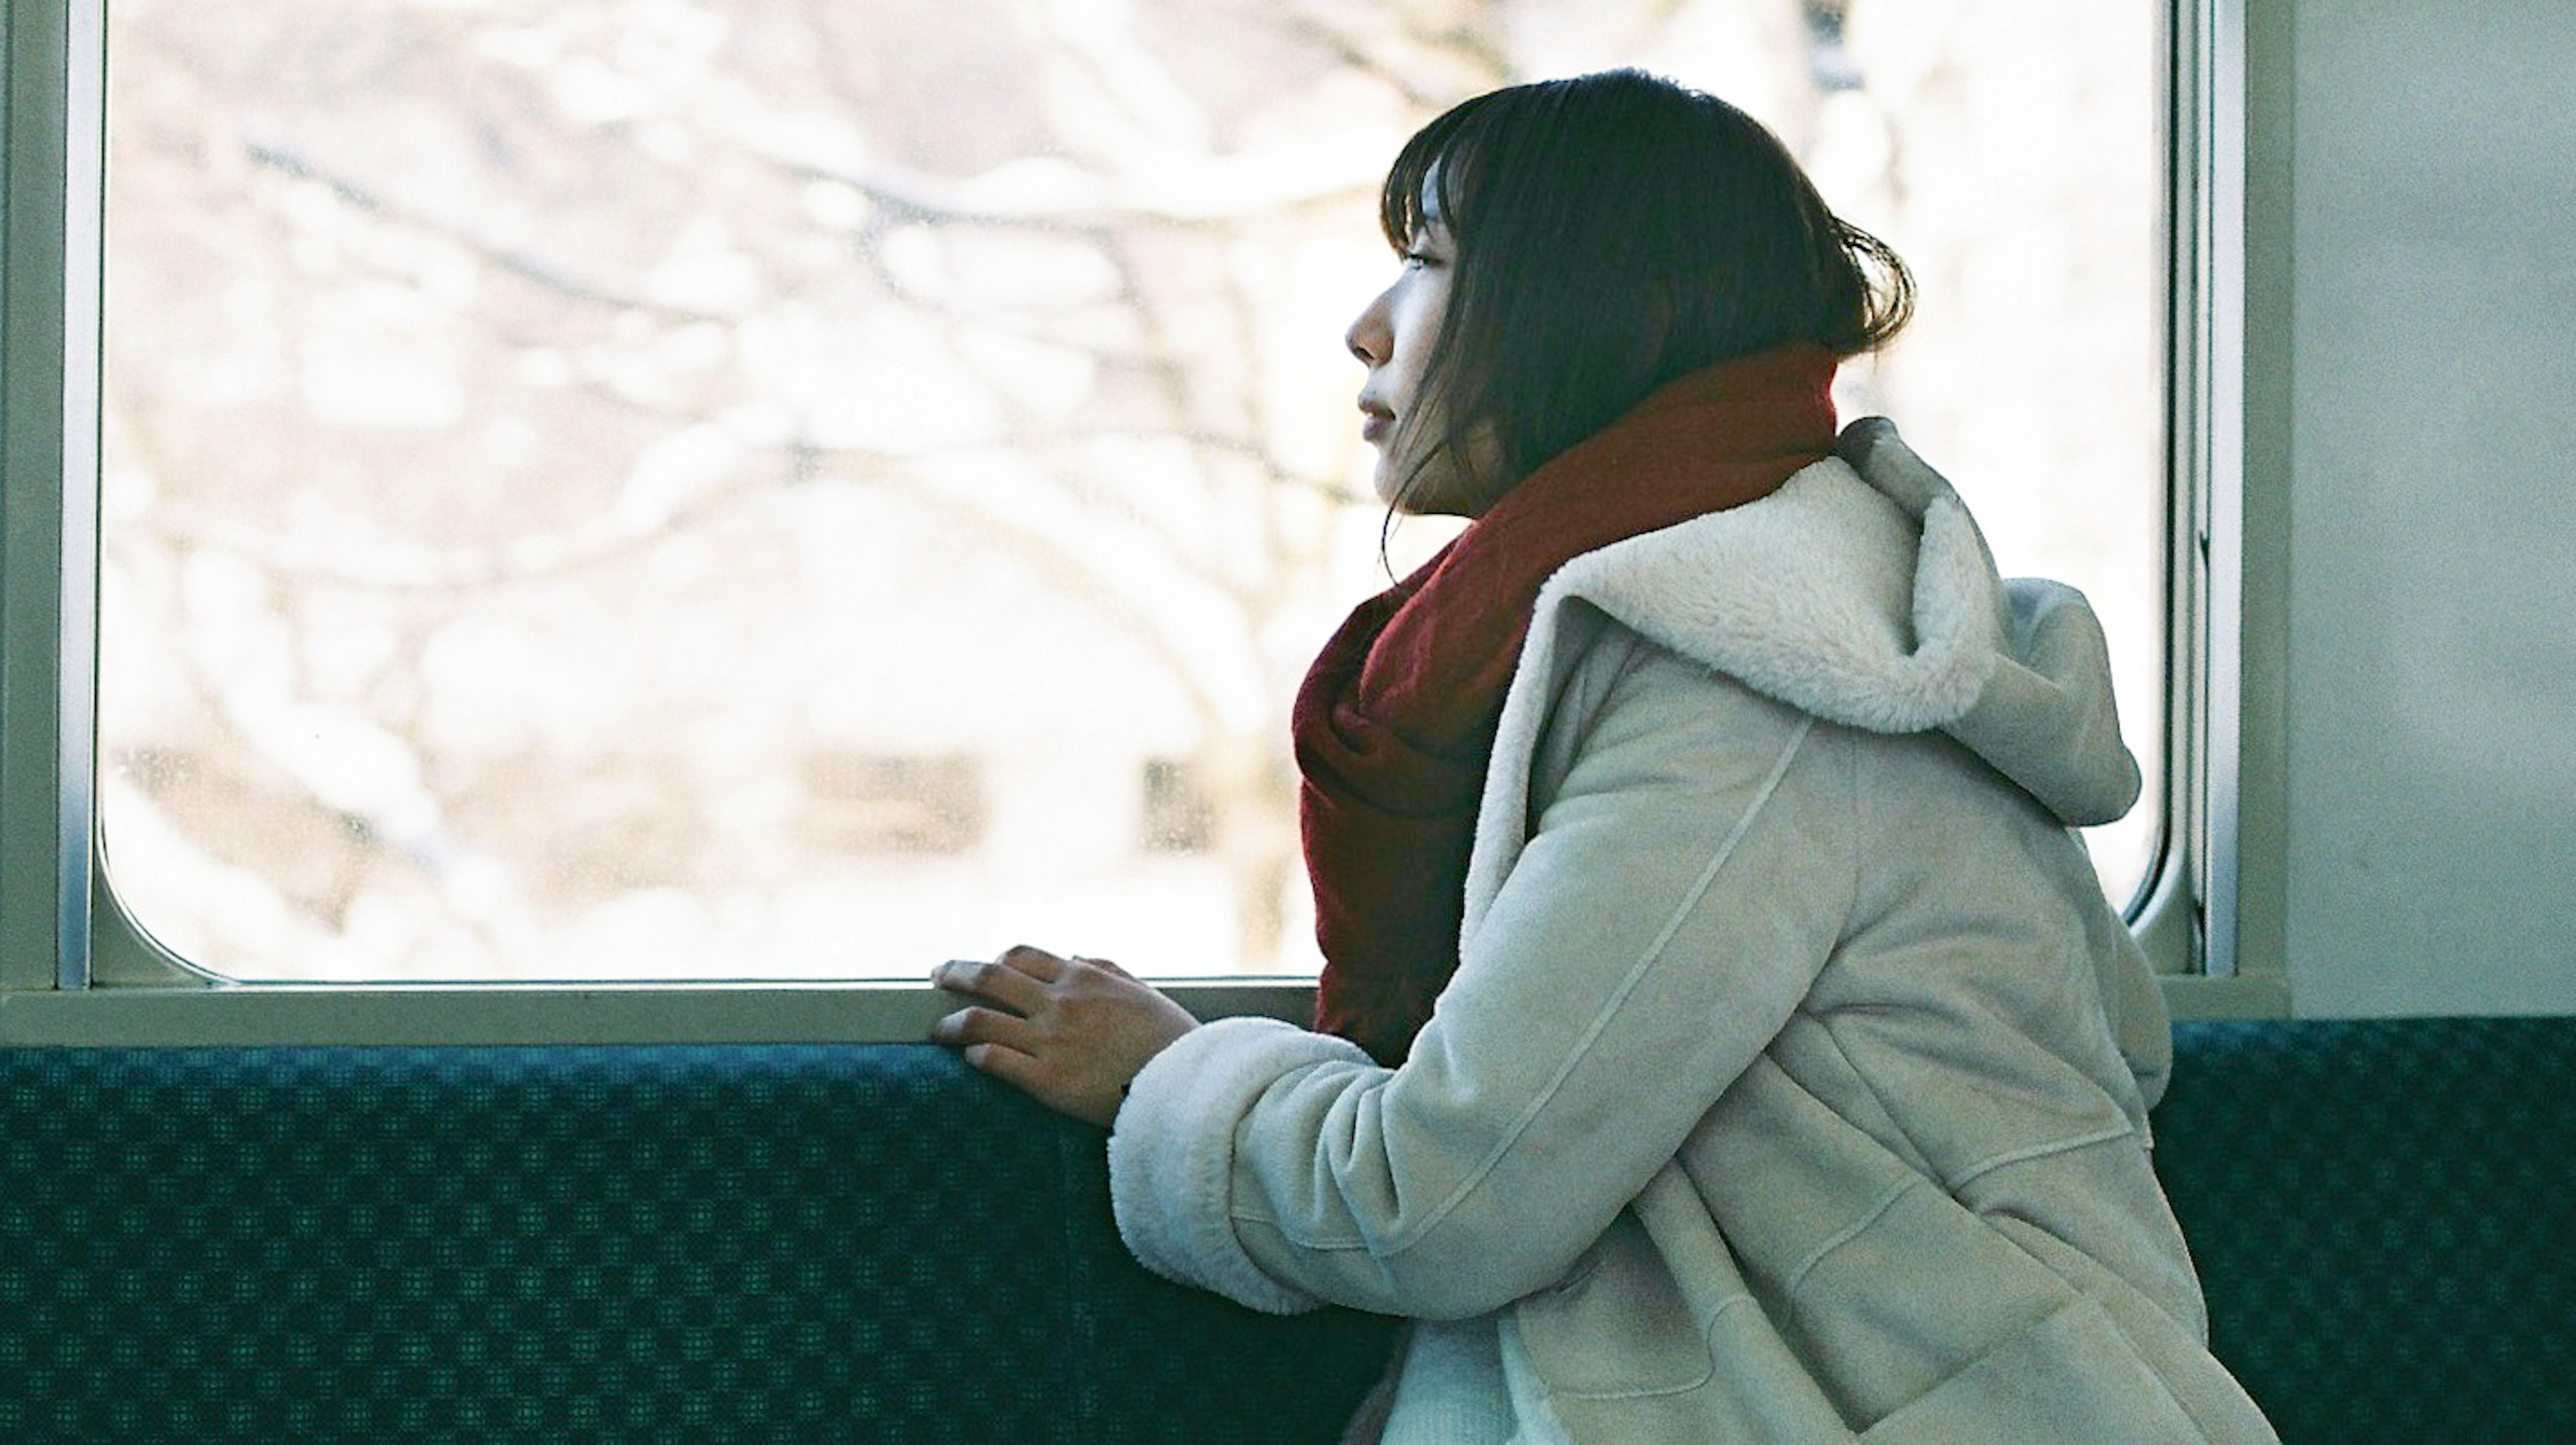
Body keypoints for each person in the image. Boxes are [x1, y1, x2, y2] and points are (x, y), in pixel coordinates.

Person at [931, 70, 2277, 1444]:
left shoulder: (1748, 681)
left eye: (1431, 261)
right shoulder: (1715, 618)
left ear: (1604, 319)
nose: (1366, 328)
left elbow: (1443, 1197)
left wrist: (1165, 1076)